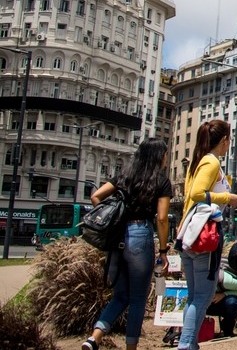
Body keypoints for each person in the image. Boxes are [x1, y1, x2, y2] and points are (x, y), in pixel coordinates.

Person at [81, 138, 172, 350]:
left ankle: (94, 338)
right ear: (158, 156)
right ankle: (131, 347)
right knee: (138, 298)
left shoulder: (125, 176)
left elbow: (96, 196)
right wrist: (164, 251)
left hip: (117, 237)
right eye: (165, 154)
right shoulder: (161, 181)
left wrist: (114, 216)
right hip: (140, 235)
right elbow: (162, 218)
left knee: (120, 295)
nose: (166, 158)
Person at [176, 119, 237, 350]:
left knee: (194, 296)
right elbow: (196, 193)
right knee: (203, 296)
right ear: (224, 140)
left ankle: (190, 344)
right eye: (229, 138)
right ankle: (186, 345)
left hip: (191, 237)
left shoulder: (198, 162)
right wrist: (228, 198)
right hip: (205, 237)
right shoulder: (211, 162)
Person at [204, 268, 237, 337]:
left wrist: (223, 294)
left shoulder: (226, 281)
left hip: (227, 302)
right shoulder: (201, 280)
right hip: (209, 302)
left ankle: (227, 329)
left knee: (232, 303)